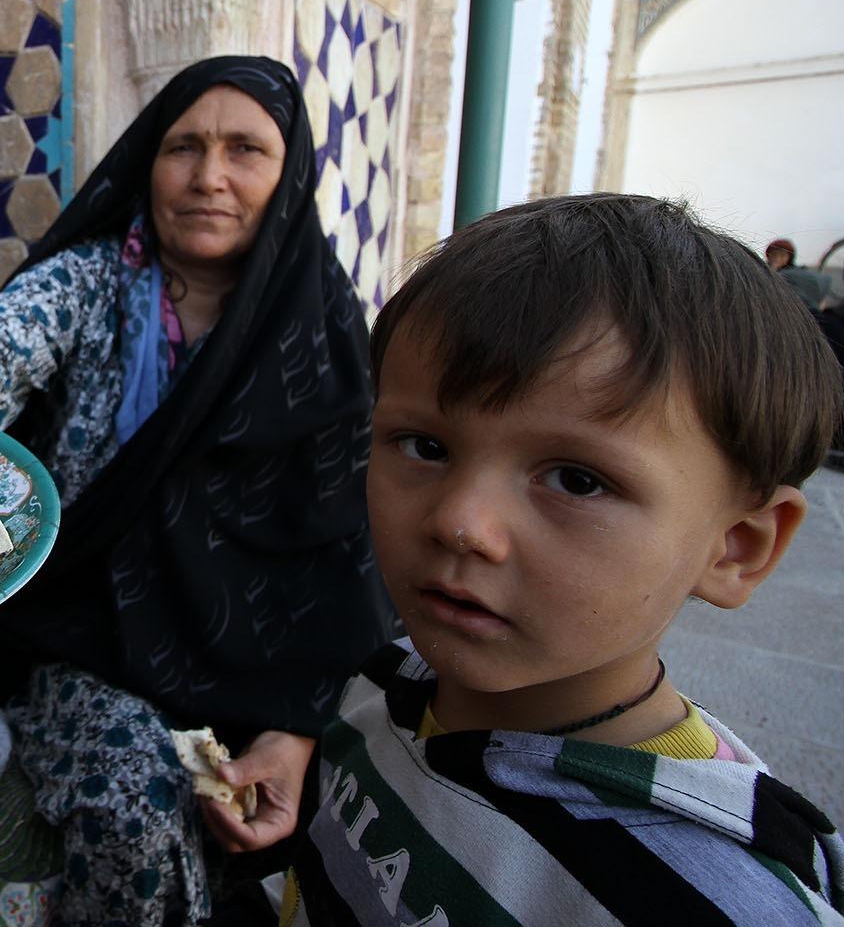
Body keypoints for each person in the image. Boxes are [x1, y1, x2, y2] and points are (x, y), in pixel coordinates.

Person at [0, 56, 395, 924]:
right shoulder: (94, 283)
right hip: (84, 629)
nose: (209, 176)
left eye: (245, 150)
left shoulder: (328, 337)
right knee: (134, 807)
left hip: (263, 663)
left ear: (291, 175)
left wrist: (296, 727)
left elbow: (347, 551)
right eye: (183, 147)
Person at [283, 194, 844, 925]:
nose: (460, 523)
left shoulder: (716, 899)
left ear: (736, 547)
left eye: (577, 481)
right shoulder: (380, 687)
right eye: (426, 447)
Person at [767, 236, 831, 312]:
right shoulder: (763, 271)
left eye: (782, 255)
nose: (777, 258)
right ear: (769, 256)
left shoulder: (793, 274)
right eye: (774, 255)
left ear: (789, 258)